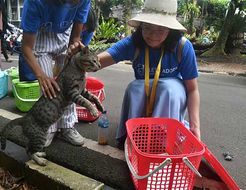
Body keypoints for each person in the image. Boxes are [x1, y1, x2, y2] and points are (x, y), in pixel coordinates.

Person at [96, 0, 201, 148]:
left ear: (170, 29)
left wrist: (195, 126)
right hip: (144, 93)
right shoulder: (133, 42)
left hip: (171, 94)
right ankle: (134, 136)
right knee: (135, 87)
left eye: (160, 29)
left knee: (167, 89)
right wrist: (78, 58)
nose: (153, 35)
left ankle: (164, 141)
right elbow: (98, 61)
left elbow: (192, 89)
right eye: (147, 28)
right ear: (141, 26)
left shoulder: (182, 46)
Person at [20, 0, 91, 147]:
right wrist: (41, 75)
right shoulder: (35, 3)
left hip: (64, 35)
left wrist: (74, 49)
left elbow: (75, 38)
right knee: (49, 88)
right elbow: (26, 47)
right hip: (40, 35)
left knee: (70, 83)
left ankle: (67, 126)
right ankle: (48, 128)